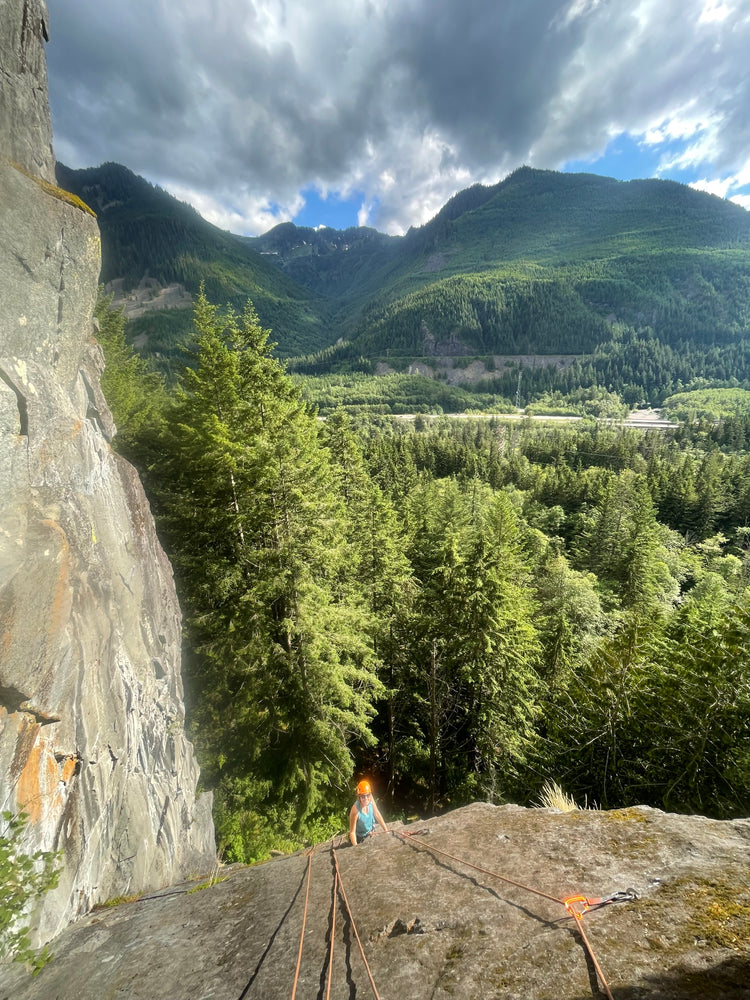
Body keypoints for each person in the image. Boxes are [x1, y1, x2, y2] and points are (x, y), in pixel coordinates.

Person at [349, 779, 388, 845]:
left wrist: (386, 831)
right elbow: (352, 832)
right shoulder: (355, 810)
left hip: (371, 831)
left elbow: (377, 813)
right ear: (359, 797)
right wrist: (356, 848)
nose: (366, 798)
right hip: (360, 837)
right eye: (363, 796)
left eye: (368, 795)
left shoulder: (370, 799)